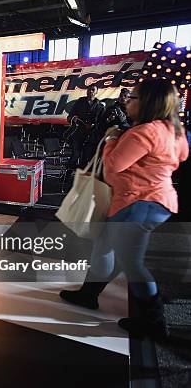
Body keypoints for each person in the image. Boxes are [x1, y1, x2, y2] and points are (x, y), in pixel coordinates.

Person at [59, 79, 189, 338]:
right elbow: (181, 157)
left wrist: (111, 140)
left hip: (137, 203)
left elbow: (113, 165)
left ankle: (155, 322)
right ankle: (89, 294)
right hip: (151, 202)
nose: (128, 101)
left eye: (133, 97)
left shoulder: (144, 132)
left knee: (133, 264)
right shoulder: (174, 131)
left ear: (148, 103)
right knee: (104, 245)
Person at [65, 85, 105, 168]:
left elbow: (102, 122)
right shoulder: (80, 102)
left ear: (96, 92)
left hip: (91, 135)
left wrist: (94, 125)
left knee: (86, 156)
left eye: (93, 90)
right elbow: (70, 116)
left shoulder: (100, 106)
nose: (90, 91)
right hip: (78, 132)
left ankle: (79, 177)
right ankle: (67, 175)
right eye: (89, 89)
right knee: (76, 153)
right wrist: (74, 118)